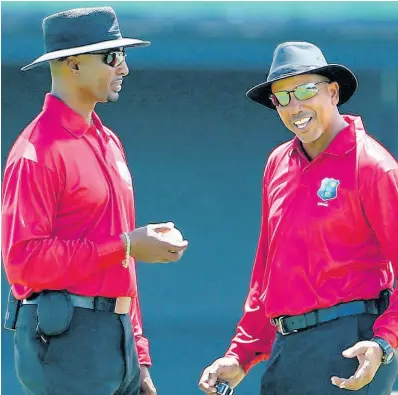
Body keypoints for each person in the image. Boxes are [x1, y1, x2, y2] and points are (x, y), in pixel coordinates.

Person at [1, 7, 188, 395]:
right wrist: (126, 245)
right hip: (67, 346)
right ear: (72, 64)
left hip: (116, 347)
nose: (124, 68)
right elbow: (23, 262)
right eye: (112, 57)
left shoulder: (108, 141)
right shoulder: (36, 152)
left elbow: (123, 265)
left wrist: (139, 356)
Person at [199, 42, 398, 394]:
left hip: (352, 346)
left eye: (306, 90)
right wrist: (241, 354)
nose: (295, 106)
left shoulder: (373, 166)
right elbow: (268, 272)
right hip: (288, 347)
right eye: (282, 97)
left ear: (333, 93)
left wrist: (384, 343)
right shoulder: (279, 161)